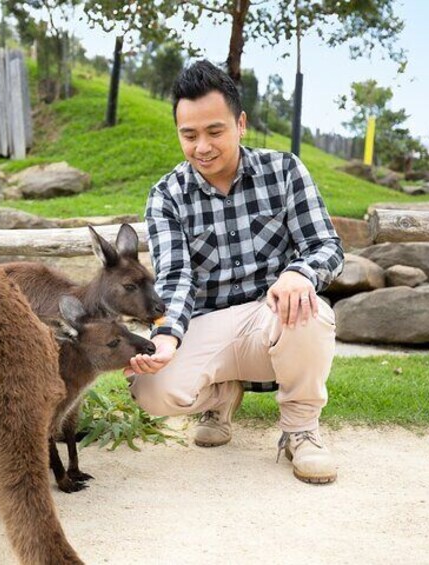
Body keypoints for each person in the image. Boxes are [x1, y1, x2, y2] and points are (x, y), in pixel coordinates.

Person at [126, 60, 344, 484]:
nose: (201, 147)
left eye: (214, 131)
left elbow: (327, 246)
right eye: (188, 135)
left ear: (240, 124)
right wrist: (166, 336)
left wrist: (300, 272)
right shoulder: (166, 196)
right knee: (151, 389)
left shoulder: (285, 172)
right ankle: (222, 396)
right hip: (207, 326)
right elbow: (174, 277)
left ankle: (300, 430)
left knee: (310, 308)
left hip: (272, 318)